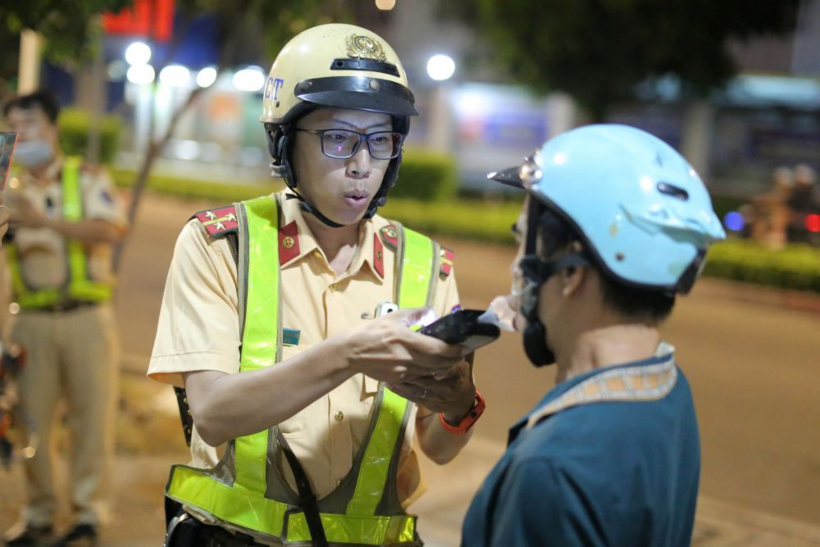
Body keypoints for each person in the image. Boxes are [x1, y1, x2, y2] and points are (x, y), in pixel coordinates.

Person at [149, 24, 483, 547]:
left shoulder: (425, 266)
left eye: (380, 140)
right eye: (338, 138)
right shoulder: (223, 245)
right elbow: (212, 414)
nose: (362, 165)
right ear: (284, 140)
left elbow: (437, 448)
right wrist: (348, 354)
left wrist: (460, 404)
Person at [461, 124, 726, 546]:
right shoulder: (669, 388)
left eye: (522, 242)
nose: (515, 267)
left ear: (570, 273)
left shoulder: (552, 468)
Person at [0, 91, 128, 546]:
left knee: (92, 421)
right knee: (29, 421)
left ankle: (87, 517)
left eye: (31, 123)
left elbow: (111, 229)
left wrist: (42, 222)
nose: (23, 134)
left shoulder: (85, 177)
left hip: (86, 318)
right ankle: (39, 515)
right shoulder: (8, 187)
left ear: (53, 128)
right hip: (30, 320)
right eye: (14, 126)